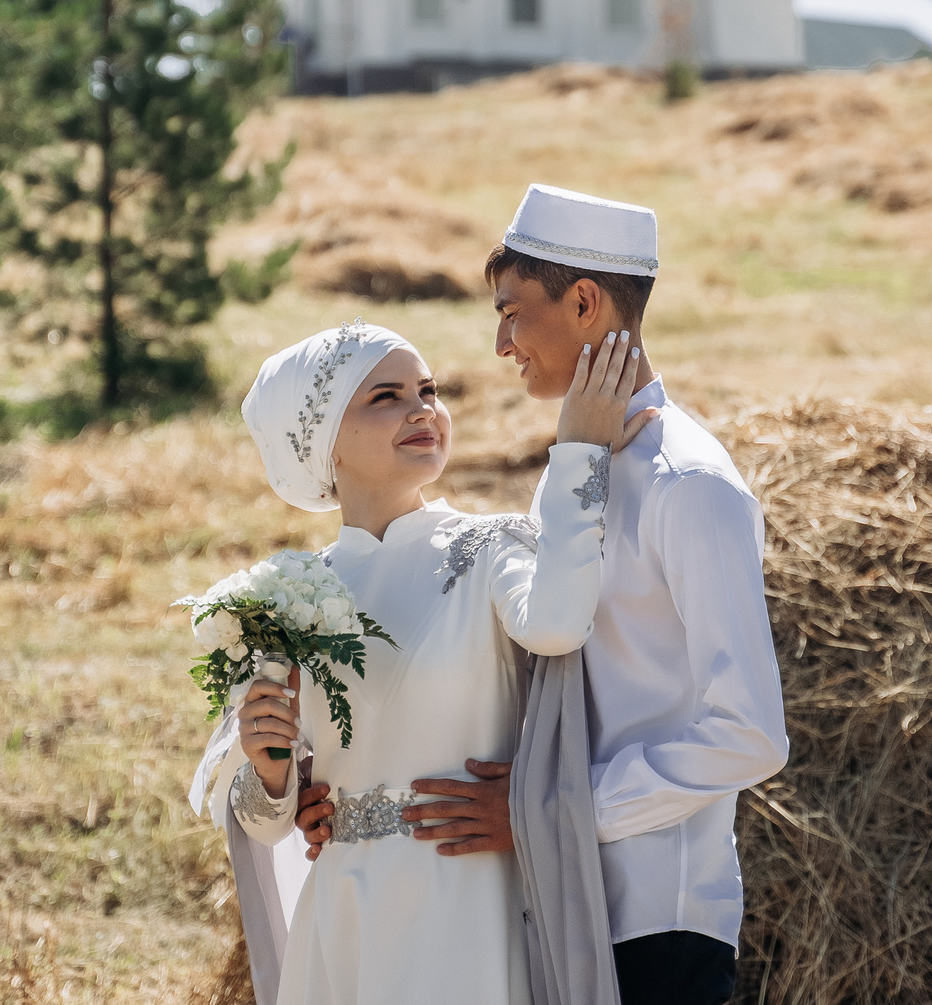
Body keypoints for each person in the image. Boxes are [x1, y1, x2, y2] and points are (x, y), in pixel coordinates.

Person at [299, 186, 789, 1005]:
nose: (500, 343)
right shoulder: (575, 470)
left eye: (513, 312)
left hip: (651, 918)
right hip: (546, 903)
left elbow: (749, 733)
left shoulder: (690, 484)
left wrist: (551, 811)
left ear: (586, 302)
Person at [193, 318, 655, 1005]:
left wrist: (580, 449)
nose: (423, 410)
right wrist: (270, 768)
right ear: (326, 441)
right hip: (344, 919)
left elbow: (558, 625)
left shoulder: (492, 545)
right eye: (385, 396)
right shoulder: (287, 598)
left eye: (428, 390)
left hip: (467, 902)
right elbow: (262, 824)